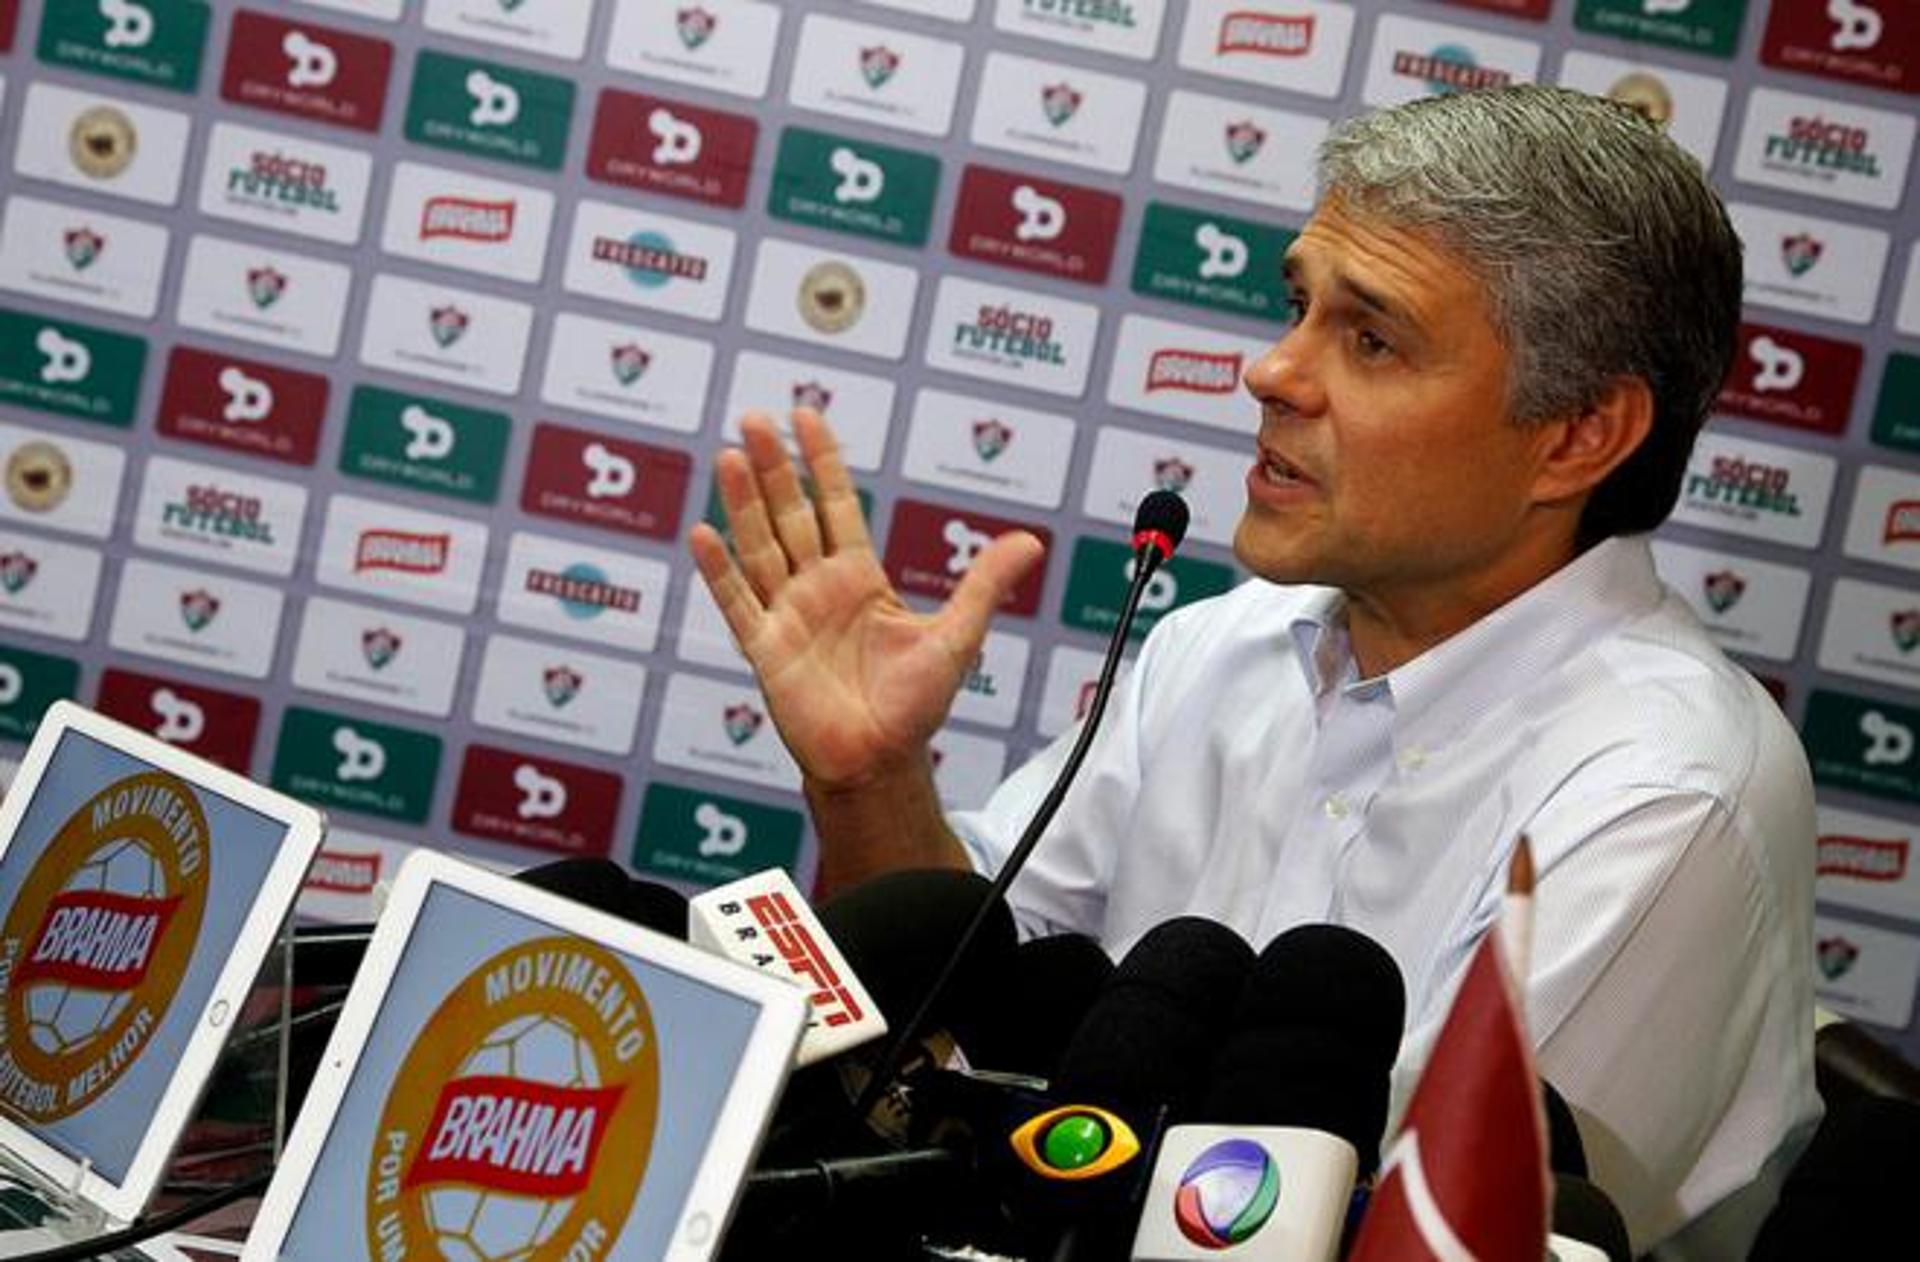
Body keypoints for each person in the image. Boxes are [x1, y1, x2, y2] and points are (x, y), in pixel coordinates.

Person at [689, 85, 1817, 1259]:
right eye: (1297, 305)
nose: (1272, 370)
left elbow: (1396, 1227)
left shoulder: (1667, 793)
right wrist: (872, 779)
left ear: (1578, 435)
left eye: (1371, 337)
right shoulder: (1222, 643)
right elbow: (964, 1013)